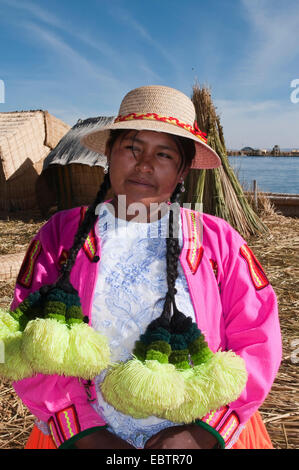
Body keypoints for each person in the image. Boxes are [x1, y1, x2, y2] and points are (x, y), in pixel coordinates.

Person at [7, 85, 281, 449]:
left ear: (182, 170)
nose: (145, 164)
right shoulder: (60, 236)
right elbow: (26, 340)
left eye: (164, 154)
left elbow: (259, 336)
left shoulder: (218, 242)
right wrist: (85, 433)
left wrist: (201, 433)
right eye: (132, 148)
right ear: (109, 152)